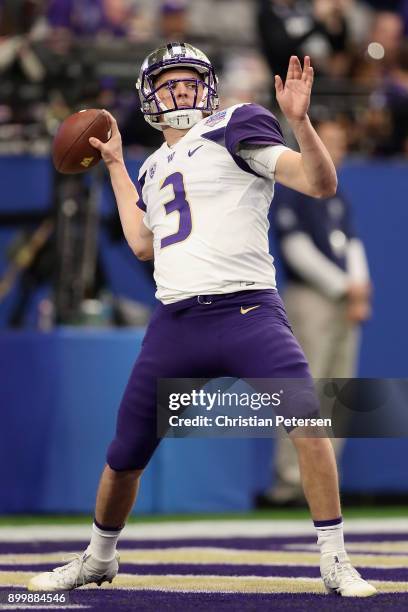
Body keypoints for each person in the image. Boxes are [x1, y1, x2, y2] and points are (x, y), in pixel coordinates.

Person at [28, 42, 376, 597]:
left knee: (309, 425)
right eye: (170, 81)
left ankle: (335, 560)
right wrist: (117, 166)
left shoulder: (238, 124)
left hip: (248, 311)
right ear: (149, 97)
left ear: (208, 86)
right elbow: (142, 243)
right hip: (177, 322)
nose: (183, 89)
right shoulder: (154, 165)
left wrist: (301, 122)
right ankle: (99, 558)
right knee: (124, 456)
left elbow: (318, 182)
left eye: (191, 79)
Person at [258, 119, 371, 507]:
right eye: (329, 140)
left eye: (340, 141)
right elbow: (296, 249)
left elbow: (351, 242)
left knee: (339, 391)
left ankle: (326, 482)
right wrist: (345, 286)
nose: (335, 147)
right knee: (305, 392)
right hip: (311, 298)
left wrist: (358, 287)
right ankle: (291, 482)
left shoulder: (338, 195)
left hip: (344, 301)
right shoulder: (294, 190)